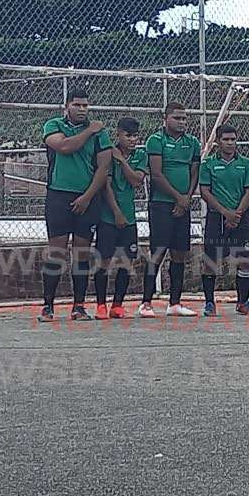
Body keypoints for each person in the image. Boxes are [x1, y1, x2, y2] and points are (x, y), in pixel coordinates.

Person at [39, 88, 113, 322]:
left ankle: (78, 306)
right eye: (77, 105)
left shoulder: (101, 134)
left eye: (85, 105)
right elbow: (64, 147)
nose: (82, 109)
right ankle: (48, 306)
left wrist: (87, 197)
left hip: (87, 197)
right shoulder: (54, 125)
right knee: (57, 251)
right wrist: (89, 130)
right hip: (59, 196)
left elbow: (104, 168)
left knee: (81, 252)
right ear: (67, 106)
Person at [139, 102, 201, 318]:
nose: (182, 122)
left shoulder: (192, 142)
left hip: (183, 204)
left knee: (180, 253)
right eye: (177, 118)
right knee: (158, 251)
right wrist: (178, 198)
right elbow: (156, 174)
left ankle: (175, 303)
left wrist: (187, 198)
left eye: (184, 118)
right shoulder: (156, 141)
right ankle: (146, 303)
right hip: (161, 204)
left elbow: (194, 172)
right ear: (165, 119)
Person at [199, 125, 249, 317]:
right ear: (218, 141)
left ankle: (243, 302)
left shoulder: (246, 164)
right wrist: (225, 213)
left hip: (241, 218)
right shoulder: (208, 164)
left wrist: (236, 215)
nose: (230, 143)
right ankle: (209, 303)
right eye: (226, 139)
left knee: (245, 260)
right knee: (211, 261)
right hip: (217, 218)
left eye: (233, 139)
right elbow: (205, 192)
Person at [93, 118, 147, 320]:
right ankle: (100, 305)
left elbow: (136, 181)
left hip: (130, 218)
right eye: (128, 135)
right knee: (104, 261)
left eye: (135, 136)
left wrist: (122, 161)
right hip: (108, 217)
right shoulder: (108, 154)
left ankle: (117, 305)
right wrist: (116, 212)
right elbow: (105, 185)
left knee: (126, 262)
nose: (132, 140)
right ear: (119, 134)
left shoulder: (140, 155)